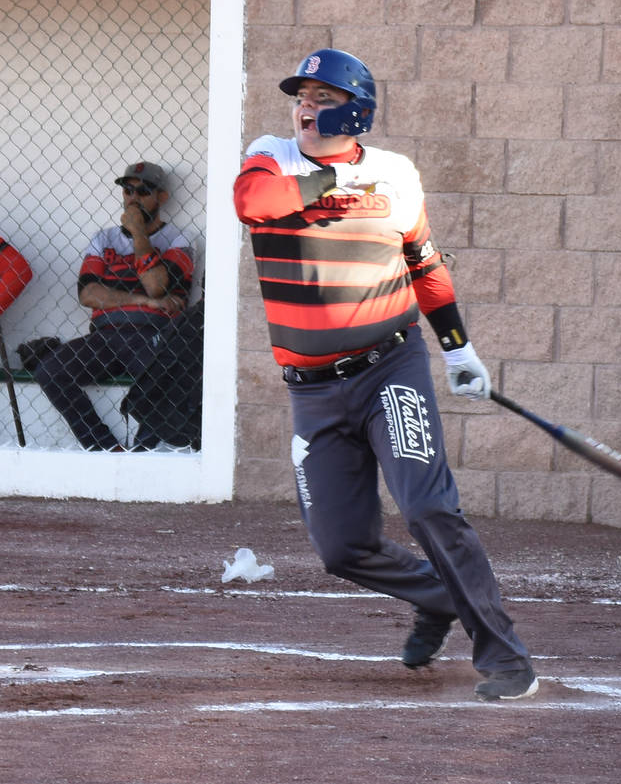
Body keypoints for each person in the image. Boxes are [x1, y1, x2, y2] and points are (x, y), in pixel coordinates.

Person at [232, 48, 537, 702]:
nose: (305, 109)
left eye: (321, 98)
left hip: (388, 370)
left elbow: (424, 265)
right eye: (301, 97)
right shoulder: (272, 157)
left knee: (427, 506)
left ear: (357, 110)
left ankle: (507, 657)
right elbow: (252, 202)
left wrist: (458, 350)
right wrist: (335, 190)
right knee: (342, 547)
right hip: (311, 390)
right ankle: (438, 595)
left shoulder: (395, 176)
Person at [33, 162, 193, 451]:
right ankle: (104, 448)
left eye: (143, 191)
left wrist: (139, 234)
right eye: (127, 190)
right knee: (50, 370)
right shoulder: (103, 239)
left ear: (162, 198)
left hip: (153, 335)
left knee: (168, 378)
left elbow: (156, 284)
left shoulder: (177, 241)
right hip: (105, 335)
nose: (133, 198)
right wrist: (143, 300)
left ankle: (143, 452)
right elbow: (88, 293)